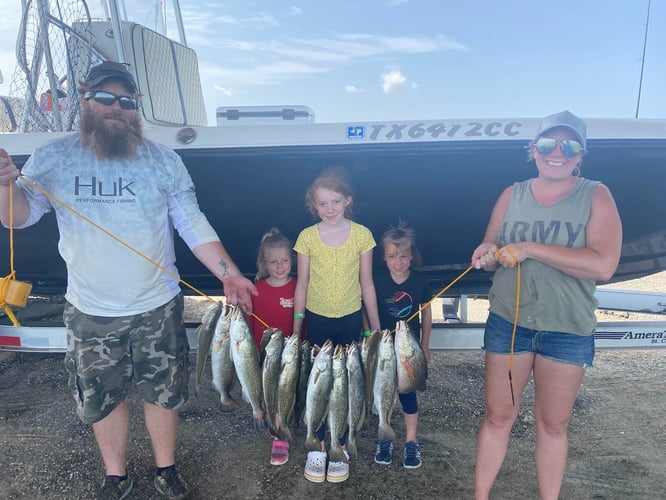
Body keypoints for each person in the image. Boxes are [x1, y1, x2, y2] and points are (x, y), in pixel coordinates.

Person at [0, 61, 257, 500]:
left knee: (164, 394)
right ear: (84, 100)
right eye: (104, 97)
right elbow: (20, 218)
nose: (116, 107)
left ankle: (166, 469)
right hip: (90, 311)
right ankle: (116, 475)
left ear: (136, 107)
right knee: (102, 398)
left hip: (158, 306)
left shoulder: (163, 161)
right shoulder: (53, 157)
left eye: (126, 100)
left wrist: (229, 276)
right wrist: (4, 185)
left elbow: (192, 224)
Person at [470, 110, 622, 500]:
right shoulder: (511, 194)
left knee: (553, 424)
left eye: (569, 145)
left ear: (580, 153)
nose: (557, 152)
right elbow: (490, 248)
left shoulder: (596, 194)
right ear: (533, 150)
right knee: (498, 416)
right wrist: (486, 253)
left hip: (566, 327)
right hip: (509, 321)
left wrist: (531, 248)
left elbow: (604, 265)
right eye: (547, 144)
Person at [292, 166, 381, 484]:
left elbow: (367, 284)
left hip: (349, 320)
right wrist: (296, 325)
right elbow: (301, 285)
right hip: (316, 320)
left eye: (335, 201)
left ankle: (340, 445)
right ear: (313, 206)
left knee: (346, 384)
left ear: (347, 200)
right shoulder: (306, 237)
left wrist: (374, 328)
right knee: (318, 385)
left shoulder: (362, 235)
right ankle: (317, 444)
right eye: (322, 204)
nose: (329, 209)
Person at [372, 221, 431, 469]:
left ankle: (410, 441)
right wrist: (370, 336)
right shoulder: (377, 281)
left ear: (411, 257)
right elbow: (368, 308)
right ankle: (383, 438)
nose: (398, 261)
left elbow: (427, 313)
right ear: (384, 258)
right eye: (392, 256)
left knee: (407, 394)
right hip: (383, 350)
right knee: (383, 393)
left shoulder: (420, 282)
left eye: (403, 256)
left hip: (409, 350)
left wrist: (426, 344)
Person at [248, 227, 297, 466]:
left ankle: (281, 431)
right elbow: (247, 326)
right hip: (264, 355)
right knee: (269, 394)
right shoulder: (257, 290)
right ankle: (277, 436)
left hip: (291, 355)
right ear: (264, 263)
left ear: (292, 260)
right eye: (273, 261)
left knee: (285, 393)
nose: (279, 266)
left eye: (284, 260)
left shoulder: (299, 287)